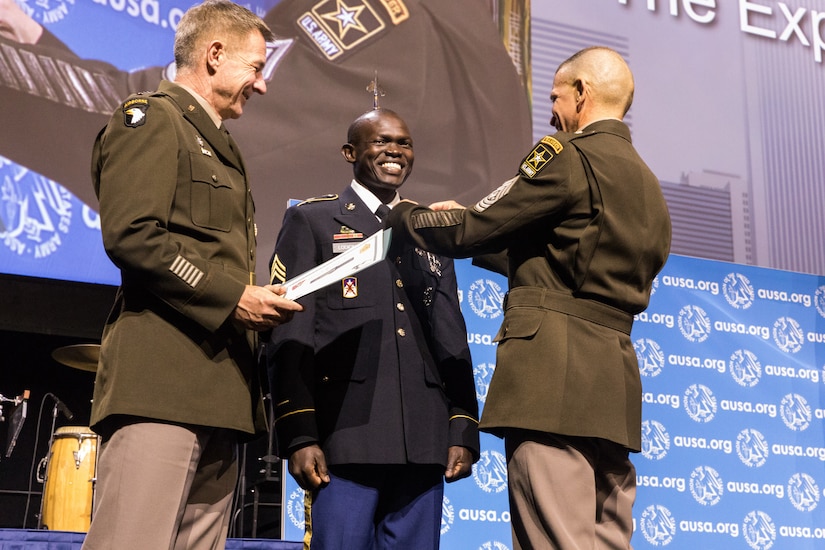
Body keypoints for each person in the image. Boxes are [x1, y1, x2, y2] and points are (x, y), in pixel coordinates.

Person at [0, 0, 532, 278]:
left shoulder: (380, 25)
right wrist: (42, 44)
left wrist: (18, 64)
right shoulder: (482, 57)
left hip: (343, 360)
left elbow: (185, 122)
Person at [387, 47, 672, 549]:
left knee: (552, 539)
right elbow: (574, 262)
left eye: (557, 96)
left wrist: (405, 215)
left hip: (550, 384)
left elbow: (473, 228)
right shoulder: (650, 184)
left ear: (582, 93)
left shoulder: (567, 156)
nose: (552, 111)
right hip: (613, 391)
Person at [80, 2, 303, 549]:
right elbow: (134, 235)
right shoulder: (152, 117)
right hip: (160, 387)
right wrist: (234, 298)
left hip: (220, 394)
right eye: (256, 68)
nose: (262, 84)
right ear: (214, 54)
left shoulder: (220, 141)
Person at [267, 108, 480, 549]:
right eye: (381, 141)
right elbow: (291, 333)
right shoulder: (314, 221)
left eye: (404, 143)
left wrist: (462, 426)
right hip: (345, 439)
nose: (395, 151)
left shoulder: (430, 231)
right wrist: (300, 433)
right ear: (351, 152)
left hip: (423, 442)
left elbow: (450, 336)